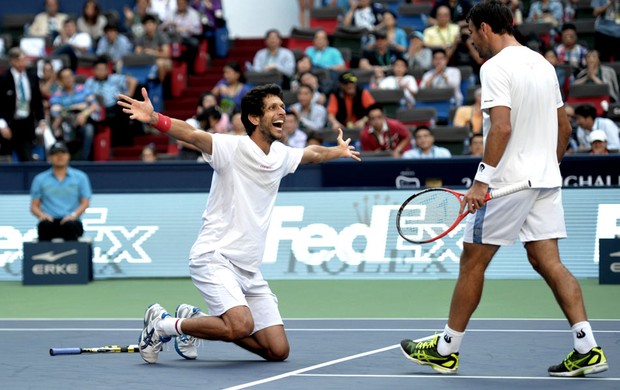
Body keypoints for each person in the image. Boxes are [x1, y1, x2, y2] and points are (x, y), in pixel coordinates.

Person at [400, 0, 608, 378]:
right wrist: (546, 167)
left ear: (484, 28)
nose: (470, 41)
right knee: (548, 262)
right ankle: (587, 347)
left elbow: (501, 128)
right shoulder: (544, 64)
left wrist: (481, 181)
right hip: (545, 179)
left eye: (469, 33)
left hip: (508, 183)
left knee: (472, 261)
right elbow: (564, 129)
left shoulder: (494, 67)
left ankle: (446, 349)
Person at [116, 83, 361, 364]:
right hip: (215, 256)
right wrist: (155, 118)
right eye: (273, 107)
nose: (282, 111)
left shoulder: (281, 155)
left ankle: (196, 320)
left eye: (282, 106)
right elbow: (192, 135)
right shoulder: (232, 147)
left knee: (277, 351)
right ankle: (162, 325)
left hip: (248, 269)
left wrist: (337, 151)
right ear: (255, 118)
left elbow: (313, 153)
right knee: (240, 325)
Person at [30, 141, 92, 242]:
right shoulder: (40, 179)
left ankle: (73, 257)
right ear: (49, 157)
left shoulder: (80, 177)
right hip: (49, 221)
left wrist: (73, 215)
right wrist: (43, 216)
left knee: (70, 226)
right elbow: (34, 206)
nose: (60, 157)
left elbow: (85, 202)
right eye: (56, 154)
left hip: (72, 221)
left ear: (68, 156)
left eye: (63, 153)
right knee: (44, 226)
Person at [0, 48, 46, 162]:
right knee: (6, 160)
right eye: (19, 60)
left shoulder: (32, 77)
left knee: (27, 158)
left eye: (24, 60)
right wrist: (2, 124)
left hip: (26, 123)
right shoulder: (3, 79)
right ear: (12, 61)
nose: (22, 63)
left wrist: (41, 120)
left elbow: (37, 102)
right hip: (8, 123)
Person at [84, 57, 139, 146]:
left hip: (113, 107)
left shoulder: (114, 78)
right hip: (96, 108)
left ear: (107, 70)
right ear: (94, 71)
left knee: (124, 108)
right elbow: (85, 96)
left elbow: (133, 81)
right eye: (99, 70)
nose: (101, 72)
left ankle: (125, 143)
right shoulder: (89, 82)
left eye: (103, 69)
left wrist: (129, 95)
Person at [50, 67, 98, 161]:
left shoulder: (82, 89)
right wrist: (76, 107)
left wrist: (84, 113)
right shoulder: (58, 94)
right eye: (65, 77)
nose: (69, 79)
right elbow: (55, 111)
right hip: (66, 123)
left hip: (82, 123)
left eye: (70, 76)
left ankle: (84, 161)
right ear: (60, 81)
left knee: (89, 129)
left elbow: (94, 105)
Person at [134, 14, 173, 84]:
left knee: (160, 63)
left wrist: (153, 52)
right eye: (146, 24)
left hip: (162, 60)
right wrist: (144, 52)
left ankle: (160, 86)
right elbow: (137, 52)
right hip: (146, 60)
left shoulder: (161, 36)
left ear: (155, 25)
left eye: (150, 23)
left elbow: (166, 54)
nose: (148, 26)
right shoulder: (141, 37)